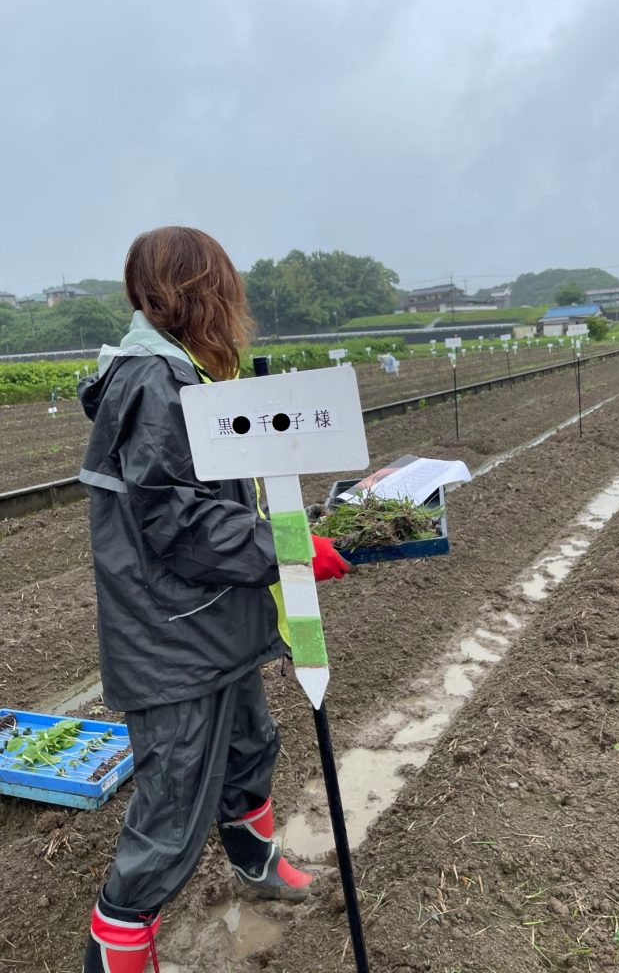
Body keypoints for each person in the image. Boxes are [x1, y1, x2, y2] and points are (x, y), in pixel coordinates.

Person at [77, 226, 350, 972]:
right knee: (170, 811)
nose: (233, 304)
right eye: (223, 288)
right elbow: (178, 520)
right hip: (172, 640)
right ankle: (117, 950)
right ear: (195, 291)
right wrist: (287, 551)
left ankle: (255, 862)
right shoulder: (153, 383)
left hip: (212, 624)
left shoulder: (183, 373)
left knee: (247, 749)